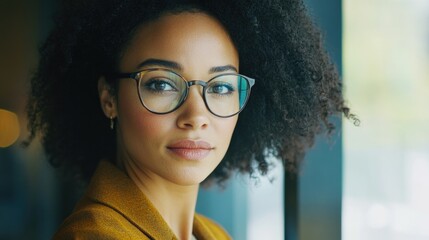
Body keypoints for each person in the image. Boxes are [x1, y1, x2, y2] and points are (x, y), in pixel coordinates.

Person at [26, 0, 353, 239]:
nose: (196, 116)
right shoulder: (95, 236)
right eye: (162, 84)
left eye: (222, 87)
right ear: (109, 98)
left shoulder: (213, 234)